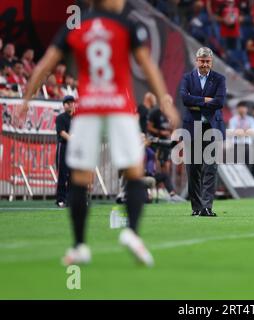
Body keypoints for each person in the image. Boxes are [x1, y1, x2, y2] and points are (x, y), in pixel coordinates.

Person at [17, 0, 180, 266]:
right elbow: (148, 67)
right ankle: (133, 234)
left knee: (80, 179)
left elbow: (44, 65)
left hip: (89, 109)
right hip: (118, 108)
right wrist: (164, 101)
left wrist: (26, 99)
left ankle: (80, 246)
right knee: (134, 172)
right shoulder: (127, 25)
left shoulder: (75, 28)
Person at [179, 47, 226, 217]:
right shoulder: (187, 78)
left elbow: (220, 102)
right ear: (196, 61)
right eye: (202, 60)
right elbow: (184, 99)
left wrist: (196, 102)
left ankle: (207, 207)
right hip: (192, 128)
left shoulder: (219, 79)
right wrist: (207, 100)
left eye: (208, 61)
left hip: (213, 128)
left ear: (211, 62)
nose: (205, 64)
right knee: (193, 169)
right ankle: (196, 207)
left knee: (211, 167)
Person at [55, 95, 75, 208]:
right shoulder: (61, 118)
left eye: (71, 102)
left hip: (73, 148)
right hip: (64, 147)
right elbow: (62, 132)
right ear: (64, 105)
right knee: (63, 174)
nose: (70, 104)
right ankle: (60, 199)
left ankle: (69, 198)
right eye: (67, 103)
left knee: (73, 174)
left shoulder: (76, 118)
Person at [228, 101, 254, 171]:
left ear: (247, 109)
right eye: (240, 107)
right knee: (235, 165)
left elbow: (253, 132)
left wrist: (239, 131)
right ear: (237, 109)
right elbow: (231, 132)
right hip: (236, 144)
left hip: (247, 145)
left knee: (248, 165)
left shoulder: (251, 119)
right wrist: (246, 131)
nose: (242, 109)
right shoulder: (233, 120)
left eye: (244, 107)